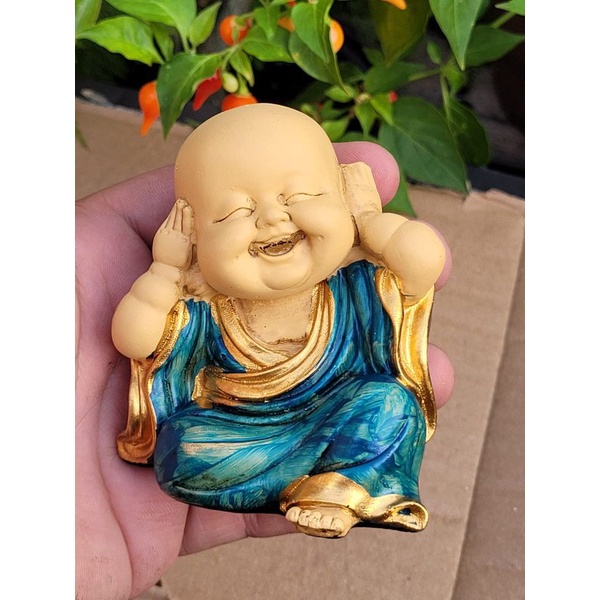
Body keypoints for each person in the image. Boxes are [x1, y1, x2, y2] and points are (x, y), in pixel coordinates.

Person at [75, 106, 454, 599]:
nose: (272, 217)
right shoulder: (207, 310)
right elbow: (134, 340)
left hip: (342, 412)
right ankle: (330, 480)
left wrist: (369, 222)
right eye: (234, 212)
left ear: (342, 200)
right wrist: (166, 271)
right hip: (241, 433)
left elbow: (423, 260)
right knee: (181, 446)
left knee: (391, 403)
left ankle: (337, 484)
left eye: (301, 196)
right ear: (194, 237)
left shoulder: (354, 285)